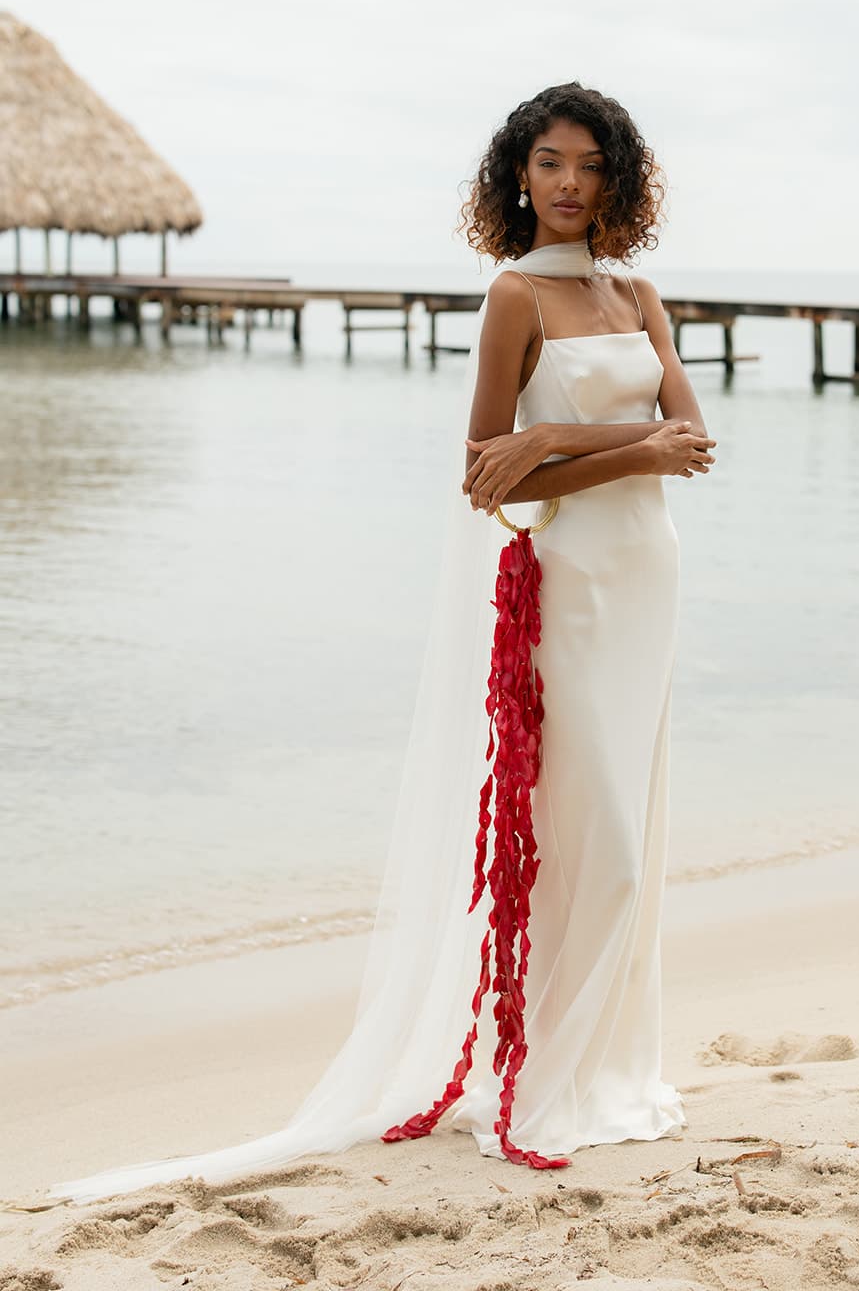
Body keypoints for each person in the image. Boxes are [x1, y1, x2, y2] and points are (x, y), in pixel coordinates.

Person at [47, 81, 715, 1203]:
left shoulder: (639, 294)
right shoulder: (513, 298)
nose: (567, 183)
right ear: (518, 174)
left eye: (589, 167)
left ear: (618, 182)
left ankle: (602, 1065)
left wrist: (560, 434)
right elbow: (482, 472)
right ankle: (536, 1068)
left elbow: (692, 442)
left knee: (630, 833)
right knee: (578, 823)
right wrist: (599, 443)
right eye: (548, 162)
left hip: (647, 574)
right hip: (567, 585)